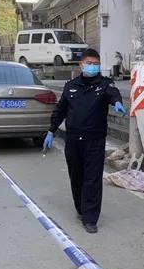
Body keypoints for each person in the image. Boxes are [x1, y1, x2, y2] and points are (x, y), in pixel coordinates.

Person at [43, 48, 124, 233]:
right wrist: (51, 131)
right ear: (81, 65)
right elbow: (60, 110)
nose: (92, 67)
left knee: (92, 179)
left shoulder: (105, 85)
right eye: (89, 63)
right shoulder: (71, 86)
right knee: (76, 177)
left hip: (94, 140)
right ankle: (81, 209)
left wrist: (117, 102)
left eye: (96, 64)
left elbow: (114, 94)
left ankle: (90, 218)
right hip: (73, 140)